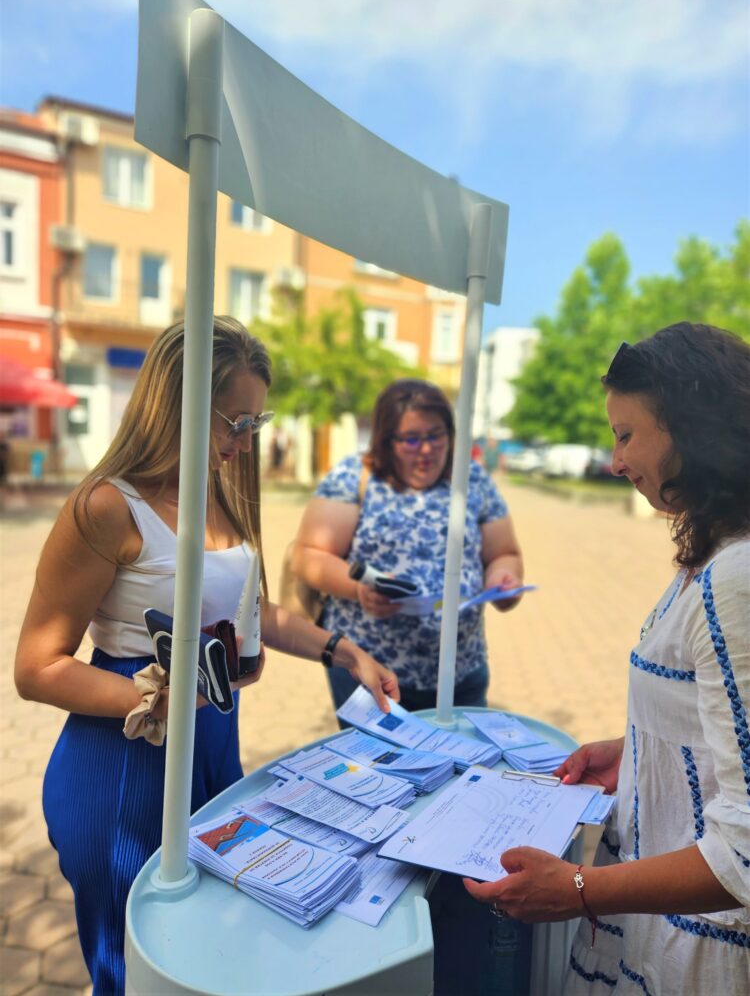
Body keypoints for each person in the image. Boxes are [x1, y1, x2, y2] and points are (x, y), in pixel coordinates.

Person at [14, 317, 399, 996]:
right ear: (178, 404)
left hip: (215, 747)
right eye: (233, 422)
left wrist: (343, 650)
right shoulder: (108, 507)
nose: (244, 441)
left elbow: (254, 614)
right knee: (133, 971)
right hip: (125, 768)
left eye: (255, 422)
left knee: (208, 948)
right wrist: (156, 698)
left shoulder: (220, 492)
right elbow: (37, 666)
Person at [464, 323, 750, 994]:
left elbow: (745, 851)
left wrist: (581, 889)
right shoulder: (713, 554)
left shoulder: (735, 578)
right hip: (665, 927)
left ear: (692, 430)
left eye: (626, 435)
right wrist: (637, 750)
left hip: (700, 953)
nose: (616, 461)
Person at [292, 378, 525, 713]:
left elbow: (504, 554)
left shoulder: (471, 478)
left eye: (436, 435)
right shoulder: (354, 476)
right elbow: (308, 556)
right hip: (371, 675)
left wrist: (503, 580)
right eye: (411, 439)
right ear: (387, 441)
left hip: (460, 674)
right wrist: (359, 590)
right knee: (381, 765)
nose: (427, 449)